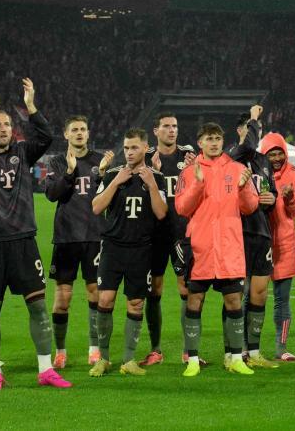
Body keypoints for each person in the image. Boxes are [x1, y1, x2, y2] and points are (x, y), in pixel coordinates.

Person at [0, 79, 71, 389]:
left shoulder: (23, 153)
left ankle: (45, 369)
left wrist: (31, 105)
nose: (4, 127)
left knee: (38, 306)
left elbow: (47, 135)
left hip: (24, 241)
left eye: (9, 123)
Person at [174, 122, 260, 377]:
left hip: (229, 247)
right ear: (200, 142)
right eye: (209, 138)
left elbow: (251, 207)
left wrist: (244, 187)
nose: (214, 143)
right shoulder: (190, 172)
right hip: (200, 247)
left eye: (218, 138)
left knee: (234, 300)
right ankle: (192, 359)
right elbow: (182, 208)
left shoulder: (237, 169)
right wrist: (198, 184)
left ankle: (235, 358)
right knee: (195, 300)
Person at [88, 129, 167, 378]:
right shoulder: (113, 173)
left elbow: (161, 213)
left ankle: (129, 360)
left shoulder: (157, 177)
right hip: (112, 247)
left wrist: (152, 185)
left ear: (145, 148)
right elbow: (97, 207)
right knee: (105, 300)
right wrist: (116, 181)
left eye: (134, 147)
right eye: (126, 148)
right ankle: (103, 359)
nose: (129, 152)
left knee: (136, 302)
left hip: (141, 249)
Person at [42, 115, 103, 369]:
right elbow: (51, 194)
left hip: (94, 236)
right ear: (66, 134)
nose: (79, 133)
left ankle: (94, 348)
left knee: (96, 293)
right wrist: (68, 172)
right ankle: (61, 351)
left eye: (83, 129)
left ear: (88, 134)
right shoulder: (56, 162)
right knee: (63, 296)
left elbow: (111, 195)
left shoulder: (100, 161)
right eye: (74, 130)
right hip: (66, 237)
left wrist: (103, 177)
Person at [227, 105, 279, 369]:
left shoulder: (263, 161)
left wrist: (271, 199)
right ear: (241, 131)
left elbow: (272, 192)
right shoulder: (230, 158)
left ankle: (255, 351)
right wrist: (255, 119)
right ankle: (233, 352)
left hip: (261, 232)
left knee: (259, 292)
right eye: (249, 129)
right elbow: (247, 144)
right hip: (236, 233)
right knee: (235, 294)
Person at [144, 111, 194, 366]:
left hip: (181, 233)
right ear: (156, 131)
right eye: (166, 126)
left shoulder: (188, 156)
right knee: (154, 290)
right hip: (154, 234)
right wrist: (153, 172)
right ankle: (155, 350)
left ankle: (189, 351)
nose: (171, 130)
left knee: (186, 287)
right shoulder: (146, 159)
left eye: (174, 126)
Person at [261, 129, 295, 360]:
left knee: (282, 299)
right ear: (264, 155)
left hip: (285, 243)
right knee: (252, 297)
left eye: (280, 153)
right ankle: (249, 347)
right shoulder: (255, 174)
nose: (277, 158)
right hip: (258, 243)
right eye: (272, 154)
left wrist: (289, 198)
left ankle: (281, 348)